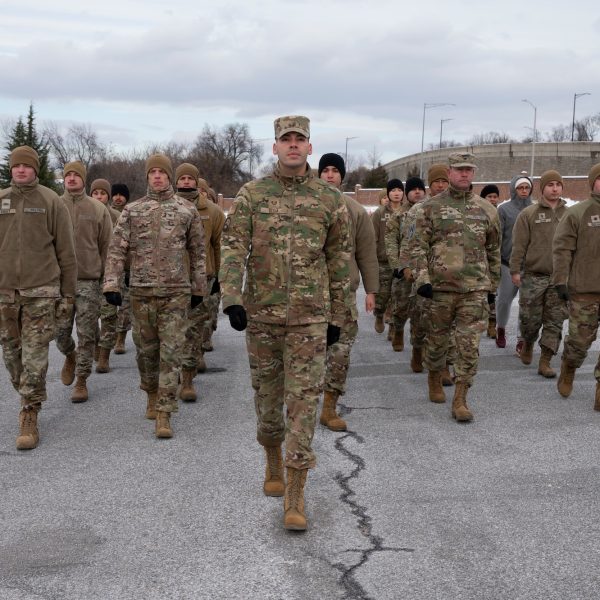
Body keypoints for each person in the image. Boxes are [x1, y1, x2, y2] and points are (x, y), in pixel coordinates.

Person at [220, 116, 350, 531]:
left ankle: (295, 493)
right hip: (262, 317)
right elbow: (233, 244)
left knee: (304, 403)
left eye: (300, 140)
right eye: (285, 140)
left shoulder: (328, 199)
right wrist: (231, 298)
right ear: (274, 147)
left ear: (310, 148)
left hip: (311, 319)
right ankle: (272, 457)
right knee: (267, 398)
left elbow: (340, 261)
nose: (293, 146)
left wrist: (339, 315)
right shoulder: (252, 194)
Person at [103, 154, 206, 438]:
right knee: (147, 353)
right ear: (148, 177)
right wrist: (111, 284)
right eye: (153, 172)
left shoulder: (186, 210)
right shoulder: (133, 211)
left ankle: (165, 412)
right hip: (142, 292)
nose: (158, 176)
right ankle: (150, 392)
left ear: (169, 176)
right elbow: (116, 249)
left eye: (162, 172)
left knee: (171, 352)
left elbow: (198, 252)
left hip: (176, 294)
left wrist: (199, 287)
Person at [403, 152, 500, 421]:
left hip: (474, 289)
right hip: (439, 290)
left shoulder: (487, 209)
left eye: (469, 169)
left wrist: (492, 286)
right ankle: (434, 377)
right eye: (459, 169)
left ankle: (460, 399)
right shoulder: (428, 208)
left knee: (468, 346)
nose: (464, 174)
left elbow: (493, 250)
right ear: (449, 172)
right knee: (437, 342)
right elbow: (416, 247)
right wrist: (422, 279)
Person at [0, 145, 77, 449]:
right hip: (5, 293)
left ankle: (29, 413)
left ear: (35, 169)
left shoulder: (51, 201)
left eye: (27, 166)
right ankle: (26, 391)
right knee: (11, 357)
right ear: (11, 169)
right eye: (16, 166)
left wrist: (68, 293)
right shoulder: (2, 199)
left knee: (34, 356)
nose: (21, 170)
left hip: (41, 291)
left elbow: (66, 252)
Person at [318, 152, 378, 431]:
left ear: (343, 176)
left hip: (343, 295)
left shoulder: (355, 210)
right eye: (325, 170)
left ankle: (329, 407)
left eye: (335, 170)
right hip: (309, 295)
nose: (330, 175)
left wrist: (371, 290)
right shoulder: (308, 205)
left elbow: (367, 253)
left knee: (340, 352)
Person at [56, 161, 113, 402]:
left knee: (87, 334)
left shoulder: (97, 209)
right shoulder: (54, 205)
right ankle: (70, 355)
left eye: (75, 175)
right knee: (59, 332)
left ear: (83, 179)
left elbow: (107, 247)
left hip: (89, 281)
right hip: (58, 282)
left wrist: (106, 281)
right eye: (67, 175)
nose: (71, 179)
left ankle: (81, 380)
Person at [510, 170, 568, 377]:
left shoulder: (569, 214)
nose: (555, 188)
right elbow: (519, 245)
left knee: (555, 320)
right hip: (534, 276)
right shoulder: (529, 214)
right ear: (542, 188)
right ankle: (527, 343)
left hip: (560, 278)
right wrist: (515, 270)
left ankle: (545, 361)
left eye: (558, 184)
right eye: (550, 184)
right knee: (530, 320)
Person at [175, 163, 225, 400]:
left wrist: (219, 277)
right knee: (172, 332)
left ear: (196, 181)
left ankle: (187, 380)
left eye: (189, 178)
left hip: (201, 280)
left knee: (194, 332)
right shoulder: (166, 207)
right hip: (171, 281)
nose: (185, 182)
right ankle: (171, 376)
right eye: (181, 178)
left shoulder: (213, 212)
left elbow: (219, 245)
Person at [553, 164, 600, 407]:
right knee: (580, 342)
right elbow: (562, 250)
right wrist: (560, 281)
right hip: (584, 289)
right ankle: (569, 366)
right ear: (592, 183)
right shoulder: (577, 213)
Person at [385, 176, 426, 355]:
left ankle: (417, 350)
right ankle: (399, 329)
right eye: (413, 189)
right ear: (407, 193)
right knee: (401, 306)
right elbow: (391, 242)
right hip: (404, 267)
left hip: (423, 269)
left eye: (420, 189)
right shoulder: (398, 215)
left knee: (420, 312)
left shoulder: (429, 211)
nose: (417, 192)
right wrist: (397, 266)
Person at [496, 174, 533, 350]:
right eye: (520, 187)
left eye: (527, 187)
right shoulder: (504, 210)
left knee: (526, 304)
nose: (524, 191)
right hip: (507, 264)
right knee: (504, 300)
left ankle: (521, 338)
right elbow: (498, 237)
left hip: (530, 266)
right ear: (514, 189)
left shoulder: (536, 209)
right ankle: (501, 328)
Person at [90, 178, 121, 373]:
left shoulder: (117, 215)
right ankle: (95, 344)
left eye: (102, 193)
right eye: (95, 193)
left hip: (110, 273)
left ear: (108, 196)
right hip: (88, 273)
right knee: (90, 316)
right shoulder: (85, 213)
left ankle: (104, 356)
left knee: (109, 315)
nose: (99, 196)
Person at [372, 179, 406, 337]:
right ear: (388, 193)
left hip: (401, 262)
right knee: (384, 294)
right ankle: (379, 314)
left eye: (400, 190)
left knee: (397, 295)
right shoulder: (380, 213)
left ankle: (393, 325)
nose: (397, 193)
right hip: (383, 261)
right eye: (393, 190)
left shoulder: (408, 212)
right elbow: (373, 237)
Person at [110, 183, 131, 354]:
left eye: (121, 195)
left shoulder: (132, 213)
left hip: (127, 268)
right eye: (115, 194)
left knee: (125, 306)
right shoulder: (106, 213)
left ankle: (120, 338)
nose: (118, 197)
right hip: (110, 267)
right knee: (108, 308)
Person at [480, 184, 502, 338]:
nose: (493, 199)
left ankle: (492, 324)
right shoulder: (479, 213)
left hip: (496, 258)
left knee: (493, 294)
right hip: (481, 261)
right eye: (490, 197)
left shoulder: (500, 213)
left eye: (495, 197)